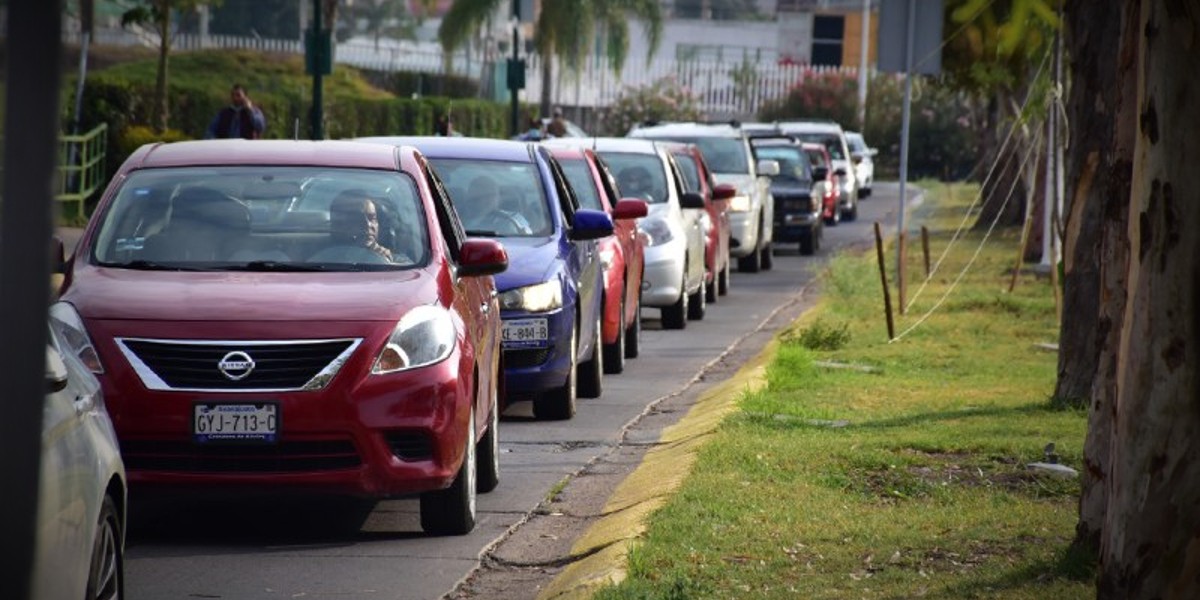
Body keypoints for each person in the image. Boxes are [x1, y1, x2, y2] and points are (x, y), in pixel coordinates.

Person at [326, 190, 394, 262]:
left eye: (373, 218)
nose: (368, 225)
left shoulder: (401, 264)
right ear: (339, 225)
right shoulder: (324, 260)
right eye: (358, 219)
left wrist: (386, 262)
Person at [461, 176, 532, 235]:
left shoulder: (511, 221)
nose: (483, 201)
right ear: (468, 196)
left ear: (498, 198)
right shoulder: (454, 215)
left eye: (489, 196)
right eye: (476, 198)